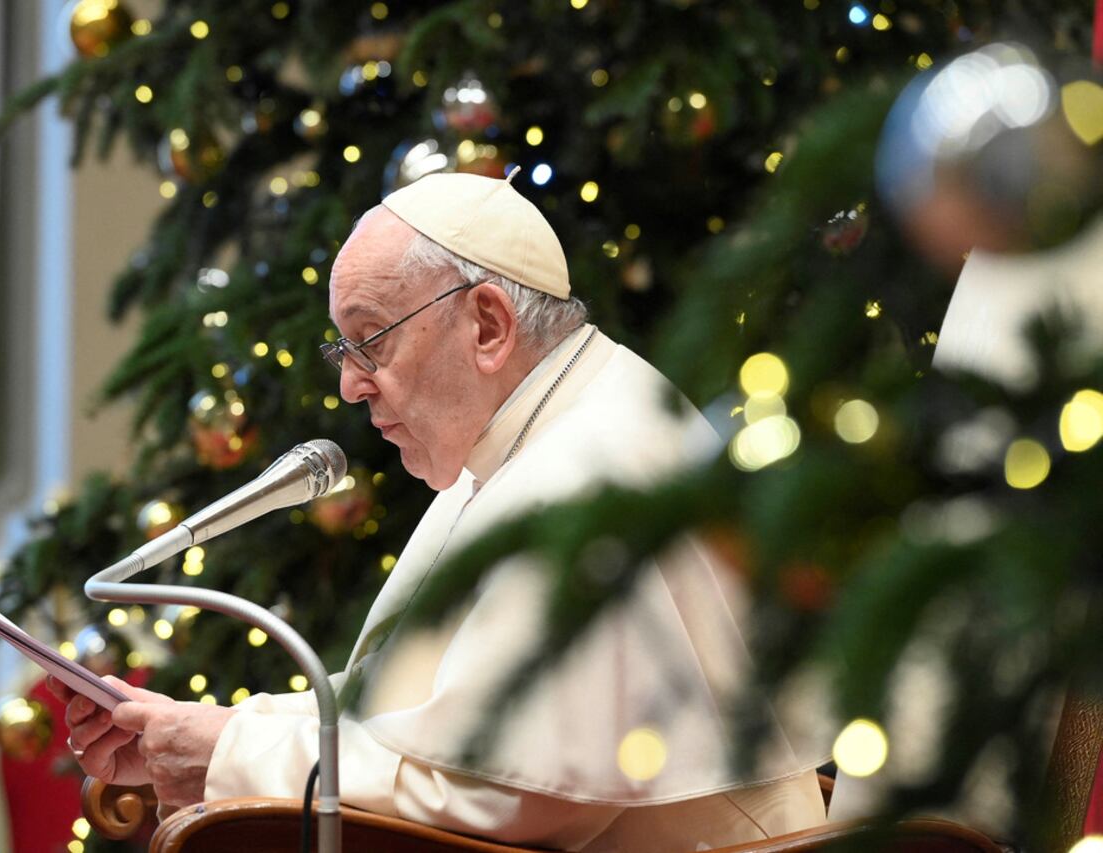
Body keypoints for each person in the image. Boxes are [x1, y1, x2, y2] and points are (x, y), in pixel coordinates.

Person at [55, 172, 828, 851]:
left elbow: (500, 792)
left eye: (371, 341)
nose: (351, 386)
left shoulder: (586, 470)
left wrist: (226, 754)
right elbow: (420, 725)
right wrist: (194, 738)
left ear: (488, 325)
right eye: (343, 350)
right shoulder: (536, 437)